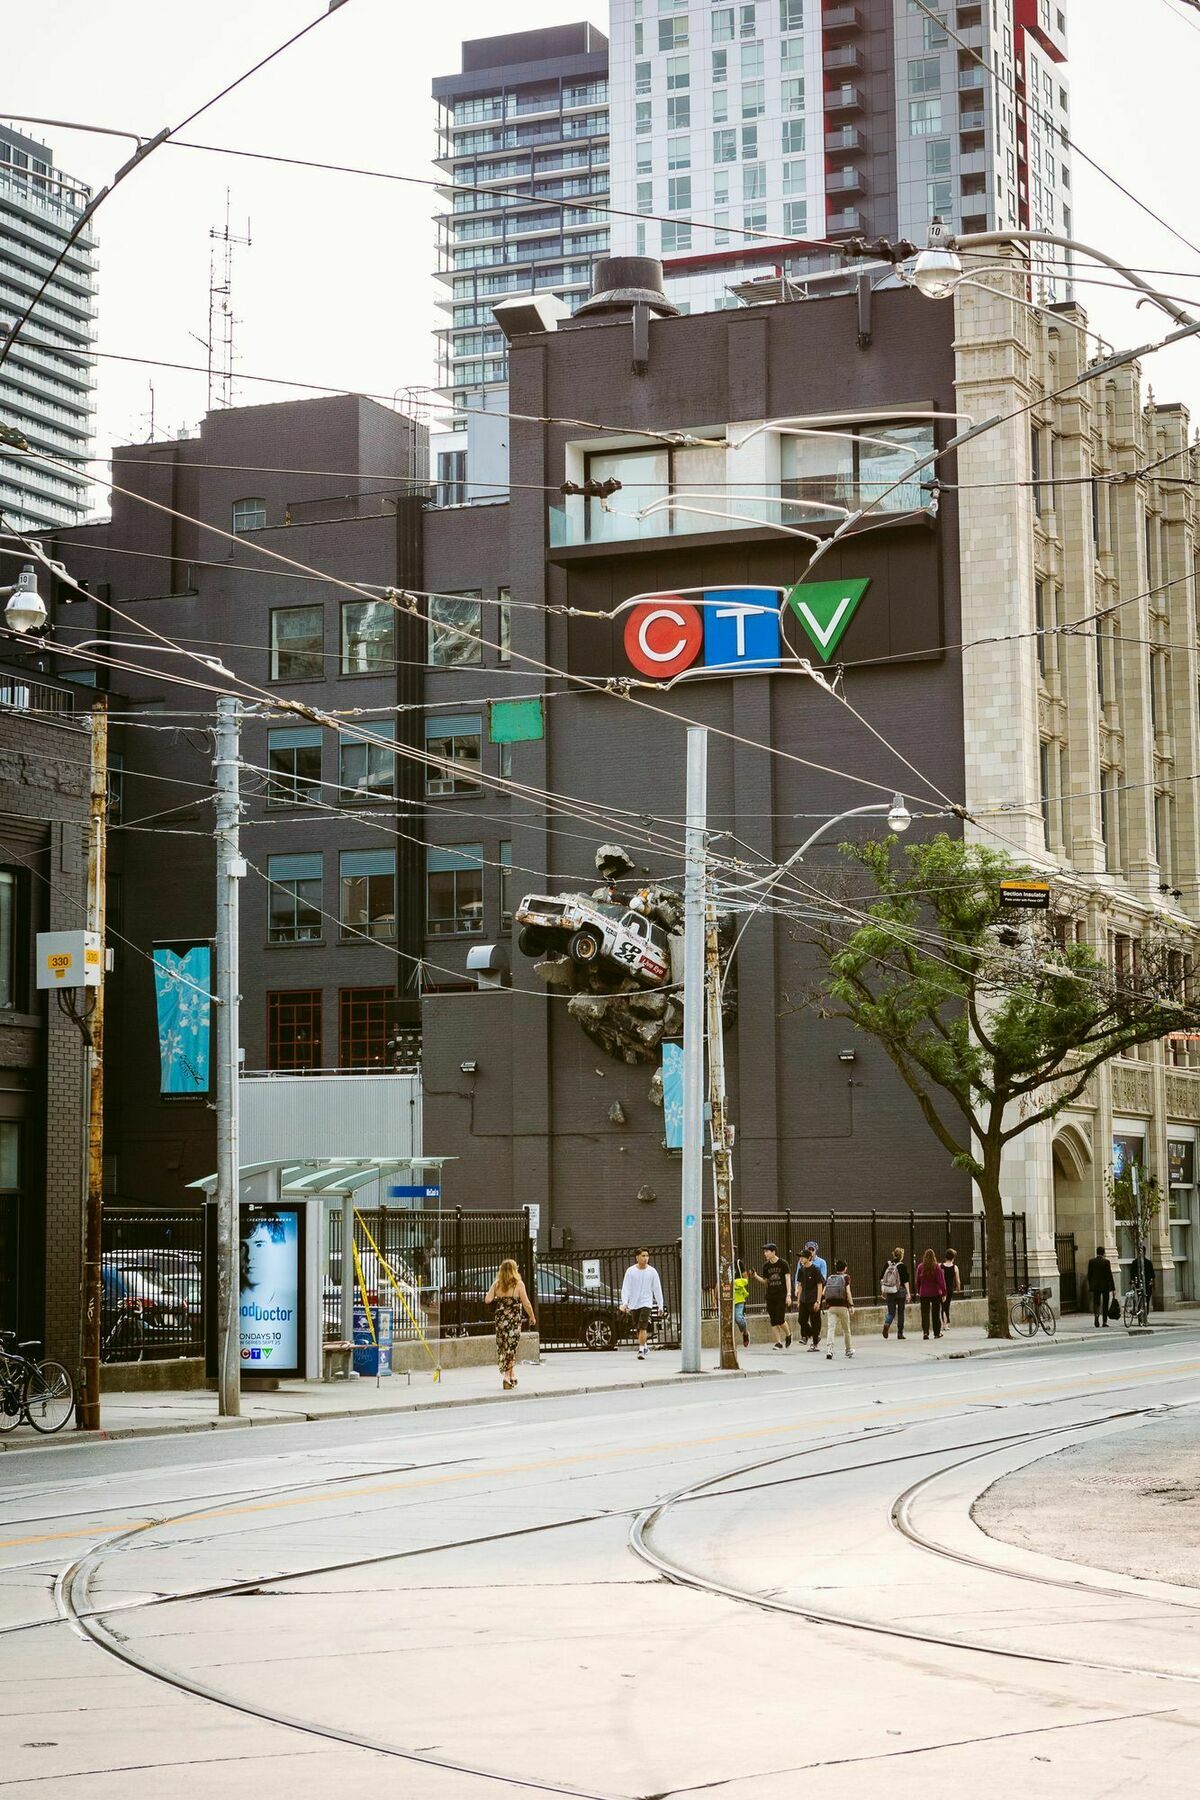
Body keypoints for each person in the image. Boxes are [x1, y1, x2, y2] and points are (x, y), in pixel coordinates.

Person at [485, 1259, 536, 1391]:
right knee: (511, 1347)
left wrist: (499, 1299)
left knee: (505, 1346)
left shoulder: (497, 1284)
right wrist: (532, 1316)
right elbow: (526, 1303)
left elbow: (487, 1299)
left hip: (501, 1320)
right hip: (513, 1321)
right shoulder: (519, 1284)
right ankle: (507, 1377)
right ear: (514, 1270)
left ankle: (512, 1375)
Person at [620, 1248, 665, 1361]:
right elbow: (626, 1288)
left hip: (646, 1302)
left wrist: (660, 1304)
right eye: (643, 1256)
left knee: (642, 1325)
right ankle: (644, 1346)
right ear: (637, 1257)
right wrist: (625, 1302)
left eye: (647, 1256)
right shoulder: (630, 1271)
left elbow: (657, 1288)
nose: (646, 1258)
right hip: (634, 1304)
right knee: (637, 1327)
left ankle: (640, 1350)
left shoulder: (652, 1271)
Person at [752, 1243, 792, 1348]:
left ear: (773, 1252)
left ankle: (788, 1334)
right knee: (773, 1320)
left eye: (767, 1251)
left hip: (781, 1294)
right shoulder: (766, 1266)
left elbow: (787, 1279)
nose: (765, 1253)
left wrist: (788, 1295)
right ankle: (778, 1342)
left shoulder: (783, 1263)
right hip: (770, 1295)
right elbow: (765, 1281)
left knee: (780, 1319)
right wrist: (755, 1276)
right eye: (764, 1251)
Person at [795, 1246, 825, 1352]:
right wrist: (798, 1300)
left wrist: (818, 1300)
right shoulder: (801, 1270)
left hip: (813, 1300)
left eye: (803, 1257)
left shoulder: (815, 1270)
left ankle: (815, 1343)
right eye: (800, 1257)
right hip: (804, 1299)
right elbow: (800, 1286)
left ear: (809, 1258)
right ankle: (814, 1335)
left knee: (815, 1321)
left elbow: (819, 1285)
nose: (801, 1259)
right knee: (801, 1320)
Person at [823, 1260, 855, 1359]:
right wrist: (851, 1305)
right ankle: (848, 1349)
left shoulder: (830, 1278)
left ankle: (829, 1350)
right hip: (843, 1306)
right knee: (846, 1329)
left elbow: (824, 1292)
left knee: (831, 1328)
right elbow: (848, 1292)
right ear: (845, 1268)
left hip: (831, 1307)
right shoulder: (846, 1278)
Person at [880, 1246, 911, 1341]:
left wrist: (883, 1291)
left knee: (891, 1312)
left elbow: (882, 1278)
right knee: (901, 1313)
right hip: (900, 1291)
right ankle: (900, 1334)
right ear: (901, 1255)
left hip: (890, 1291)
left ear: (894, 1254)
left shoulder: (887, 1264)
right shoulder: (902, 1266)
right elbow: (905, 1281)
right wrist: (908, 1293)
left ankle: (887, 1324)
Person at [915, 1249, 946, 1339]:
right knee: (935, 1313)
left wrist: (918, 1290)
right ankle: (937, 1332)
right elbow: (941, 1281)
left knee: (925, 1313)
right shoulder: (936, 1267)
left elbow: (917, 1280)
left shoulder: (920, 1267)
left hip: (924, 1293)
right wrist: (944, 1293)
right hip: (935, 1292)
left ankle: (925, 1332)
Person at [1086, 1245, 1116, 1327]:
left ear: (1097, 1253)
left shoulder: (1091, 1261)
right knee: (1105, 1303)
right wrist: (1113, 1288)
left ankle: (1096, 1317)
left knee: (1096, 1302)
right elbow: (1109, 1275)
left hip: (1095, 1286)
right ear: (1103, 1253)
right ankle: (1104, 1321)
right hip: (1105, 1286)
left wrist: (1091, 1284)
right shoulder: (1106, 1262)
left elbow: (1089, 1275)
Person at [939, 1249, 962, 1328]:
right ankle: (946, 1324)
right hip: (949, 1289)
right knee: (947, 1305)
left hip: (941, 1289)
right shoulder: (955, 1267)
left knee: (942, 1305)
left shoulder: (940, 1266)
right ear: (953, 1258)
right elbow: (957, 1280)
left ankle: (943, 1323)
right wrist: (958, 1288)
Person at [732, 1262, 751, 1349]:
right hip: (726, 1297)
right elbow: (718, 1281)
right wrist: (715, 1299)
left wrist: (737, 1283)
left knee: (738, 1317)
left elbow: (746, 1278)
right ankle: (731, 1343)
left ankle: (745, 1332)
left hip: (738, 1297)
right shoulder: (721, 1263)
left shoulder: (738, 1263)